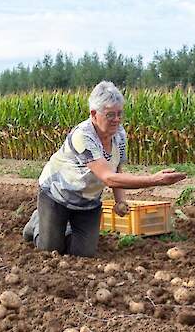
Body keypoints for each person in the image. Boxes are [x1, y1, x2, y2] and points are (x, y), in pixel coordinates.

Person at [22, 81, 186, 257]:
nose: (116, 120)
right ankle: (38, 221)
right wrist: (155, 180)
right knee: (50, 250)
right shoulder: (83, 136)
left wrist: (120, 201)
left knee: (82, 254)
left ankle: (64, 228)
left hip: (88, 201)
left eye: (119, 114)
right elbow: (108, 177)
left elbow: (117, 169)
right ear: (94, 114)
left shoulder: (120, 135)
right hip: (57, 194)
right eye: (110, 115)